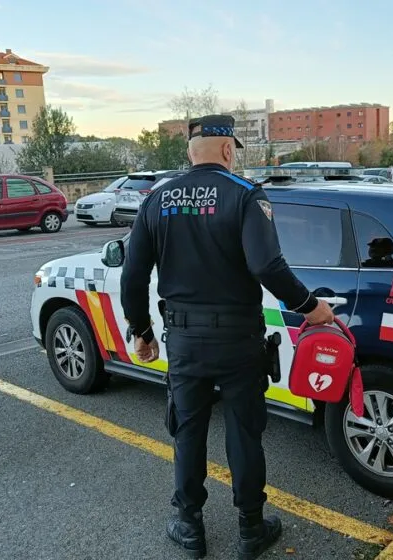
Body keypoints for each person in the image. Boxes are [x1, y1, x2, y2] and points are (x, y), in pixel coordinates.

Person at [120, 114, 335, 559]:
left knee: (187, 430)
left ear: (189, 152)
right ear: (226, 150)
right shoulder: (245, 196)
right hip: (238, 340)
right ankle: (251, 528)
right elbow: (267, 266)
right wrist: (310, 308)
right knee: (243, 432)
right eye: (234, 148)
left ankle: (189, 526)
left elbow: (133, 274)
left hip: (183, 339)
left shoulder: (156, 200)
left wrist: (141, 330)